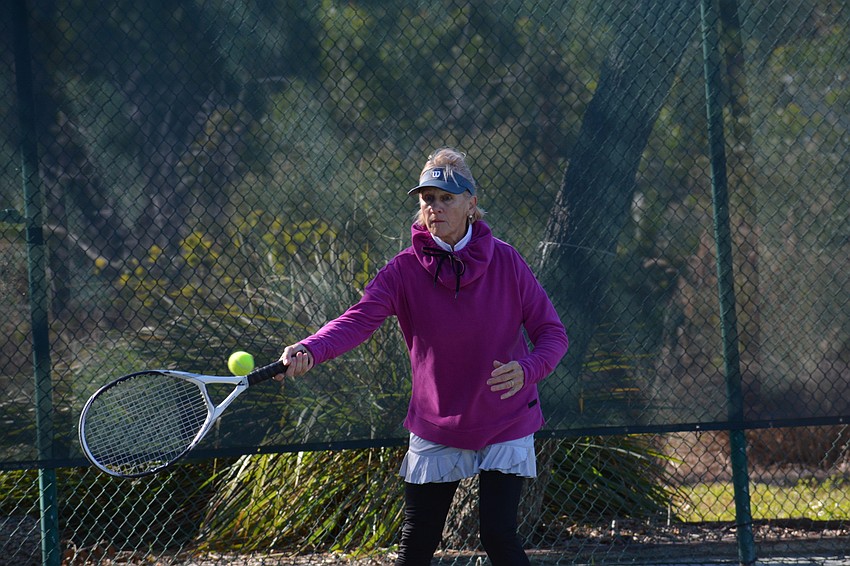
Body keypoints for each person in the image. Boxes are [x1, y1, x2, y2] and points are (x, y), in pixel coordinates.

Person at [276, 147, 568, 565]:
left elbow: (552, 333)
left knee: (499, 536)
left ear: (471, 203)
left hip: (506, 418)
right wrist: (310, 348)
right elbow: (356, 321)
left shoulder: (506, 260)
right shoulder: (403, 270)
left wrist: (528, 369)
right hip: (438, 421)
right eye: (427, 199)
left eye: (447, 198)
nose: (435, 207)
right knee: (417, 541)